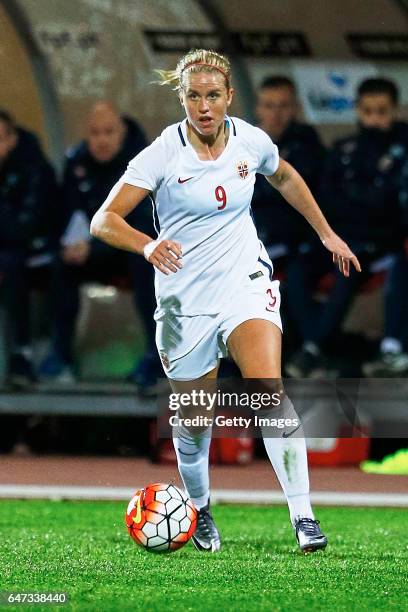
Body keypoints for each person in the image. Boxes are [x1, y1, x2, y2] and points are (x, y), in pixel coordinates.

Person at [90, 49, 360, 553]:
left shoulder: (250, 141)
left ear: (230, 96)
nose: (204, 106)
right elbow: (102, 221)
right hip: (183, 300)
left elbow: (284, 176)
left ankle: (304, 517)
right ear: (183, 98)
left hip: (244, 282)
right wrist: (147, 244)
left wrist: (325, 233)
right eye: (194, 96)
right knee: (194, 420)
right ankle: (200, 508)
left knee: (268, 392)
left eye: (213, 95)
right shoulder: (161, 154)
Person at [286, 78, 408, 378]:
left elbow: (389, 203)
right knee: (298, 271)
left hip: (379, 241)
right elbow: (327, 199)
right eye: (367, 111)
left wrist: (363, 202)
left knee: (346, 270)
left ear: (395, 110)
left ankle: (314, 349)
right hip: (339, 236)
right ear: (357, 111)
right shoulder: (344, 149)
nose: (374, 119)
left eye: (382, 111)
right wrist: (367, 200)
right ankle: (316, 346)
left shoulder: (403, 148)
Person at [40, 102, 161, 391]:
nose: (101, 140)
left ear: (121, 133)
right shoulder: (77, 162)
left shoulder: (144, 162)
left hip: (133, 247)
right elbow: (67, 211)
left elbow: (142, 224)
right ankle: (60, 353)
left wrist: (92, 248)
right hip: (93, 249)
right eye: (94, 133)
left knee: (146, 262)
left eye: (108, 132)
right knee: (59, 265)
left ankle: (156, 356)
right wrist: (70, 245)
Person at [0, 110, 57, 387]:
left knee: (12, 263)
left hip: (36, 255)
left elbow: (26, 228)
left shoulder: (34, 168)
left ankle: (22, 353)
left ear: (12, 139)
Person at [252, 76, 325, 269]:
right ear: (258, 108)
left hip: (293, 235)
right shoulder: (243, 139)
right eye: (268, 106)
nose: (276, 114)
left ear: (295, 108)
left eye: (283, 106)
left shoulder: (306, 140)